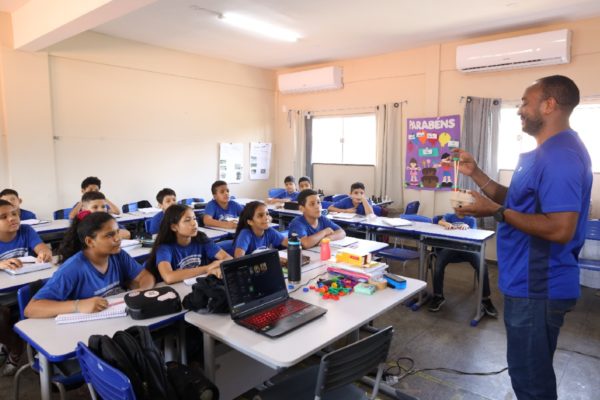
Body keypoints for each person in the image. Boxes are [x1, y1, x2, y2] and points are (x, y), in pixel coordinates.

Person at [454, 75, 592, 400]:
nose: (520, 109)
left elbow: (561, 228)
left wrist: (496, 212)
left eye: (525, 101)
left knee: (531, 381)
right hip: (525, 283)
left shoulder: (561, 156)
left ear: (549, 105)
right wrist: (477, 175)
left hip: (538, 287)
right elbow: (517, 199)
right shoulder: (545, 153)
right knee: (527, 372)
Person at [25, 211, 155, 317]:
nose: (118, 238)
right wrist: (78, 305)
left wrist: (142, 291)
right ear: (90, 241)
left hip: (116, 316)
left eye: (117, 232)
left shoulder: (118, 254)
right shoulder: (73, 268)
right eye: (109, 235)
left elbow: (146, 277)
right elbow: (32, 308)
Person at [0, 199, 52, 375]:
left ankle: (38, 348)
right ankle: (15, 347)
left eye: (14, 213)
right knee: (1, 316)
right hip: (3, 294)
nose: (12, 218)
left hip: (28, 287)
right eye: (3, 216)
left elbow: (42, 248)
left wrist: (44, 253)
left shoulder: (26, 230)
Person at [427, 213, 497, 317]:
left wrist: (467, 227)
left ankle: (485, 299)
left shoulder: (471, 219)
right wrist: (445, 224)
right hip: (451, 248)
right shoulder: (449, 216)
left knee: (482, 265)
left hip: (468, 248)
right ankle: (438, 296)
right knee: (439, 263)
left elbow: (474, 232)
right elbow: (440, 221)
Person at [146, 205, 231, 284]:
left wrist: (217, 268)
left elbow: (228, 258)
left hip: (200, 285)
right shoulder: (164, 248)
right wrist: (207, 268)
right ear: (174, 227)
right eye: (187, 220)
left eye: (194, 218)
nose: (194, 223)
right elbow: (169, 277)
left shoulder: (201, 239)